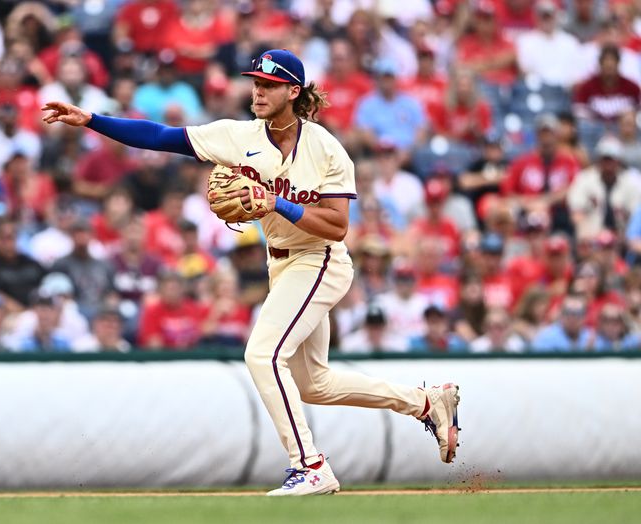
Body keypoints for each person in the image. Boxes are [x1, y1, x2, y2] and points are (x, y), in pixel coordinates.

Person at [42, 48, 460, 496]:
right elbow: (161, 136)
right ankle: (424, 402)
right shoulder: (238, 136)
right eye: (256, 82)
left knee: (261, 355)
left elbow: (337, 226)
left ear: (293, 92)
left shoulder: (325, 149)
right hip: (278, 263)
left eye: (269, 84)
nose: (258, 90)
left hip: (319, 260)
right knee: (314, 384)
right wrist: (91, 119)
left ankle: (311, 465)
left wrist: (275, 202)